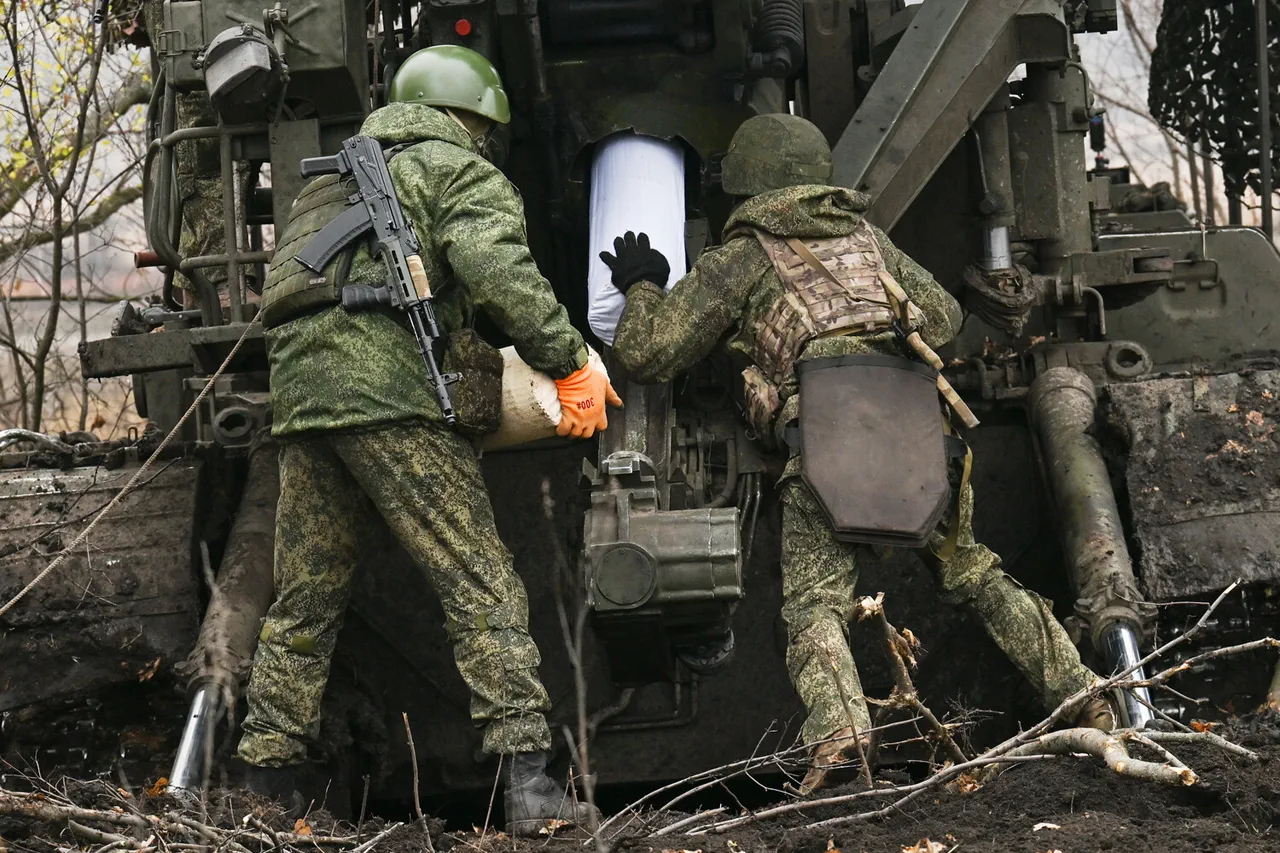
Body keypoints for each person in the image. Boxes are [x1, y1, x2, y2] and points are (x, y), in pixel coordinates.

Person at [600, 113, 1114, 794]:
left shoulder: (744, 257)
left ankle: (842, 733)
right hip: (916, 427)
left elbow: (649, 351)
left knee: (815, 604)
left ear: (748, 184)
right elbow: (943, 317)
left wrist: (642, 282)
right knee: (975, 576)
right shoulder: (868, 239)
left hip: (823, 437)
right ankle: (1087, 694)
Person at [237, 45, 616, 835]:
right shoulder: (456, 171)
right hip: (391, 400)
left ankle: (264, 793)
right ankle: (529, 782)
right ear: (473, 118)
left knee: (304, 598)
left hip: (304, 405)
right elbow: (499, 271)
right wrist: (571, 360)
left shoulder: (322, 179)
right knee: (479, 584)